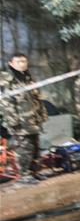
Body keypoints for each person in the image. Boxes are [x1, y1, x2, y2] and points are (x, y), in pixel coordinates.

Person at [0, 53, 48, 182]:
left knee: (35, 147)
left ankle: (34, 172)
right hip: (19, 122)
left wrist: (42, 115)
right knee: (23, 149)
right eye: (19, 61)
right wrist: (13, 121)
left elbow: (37, 98)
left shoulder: (28, 79)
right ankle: (24, 175)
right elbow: (6, 103)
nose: (22, 64)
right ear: (11, 63)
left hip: (33, 120)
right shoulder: (7, 80)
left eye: (24, 61)